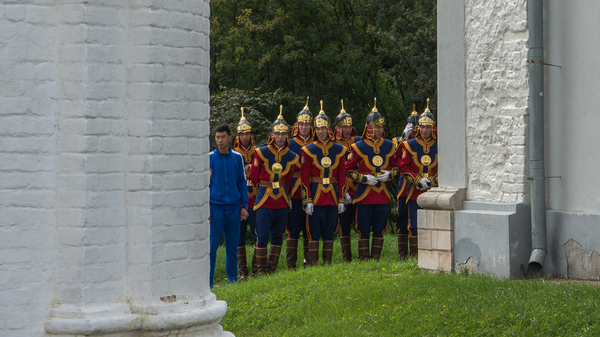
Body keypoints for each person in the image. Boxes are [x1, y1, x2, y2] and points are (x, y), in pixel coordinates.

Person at [345, 98, 399, 260]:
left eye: (382, 127)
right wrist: (363, 178)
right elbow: (348, 168)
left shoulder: (389, 145)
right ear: (369, 127)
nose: (380, 130)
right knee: (363, 227)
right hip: (364, 194)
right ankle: (363, 257)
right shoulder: (358, 146)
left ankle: (375, 257)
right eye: (377, 127)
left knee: (379, 227)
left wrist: (389, 175)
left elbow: (397, 166)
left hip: (382, 193)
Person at [250, 106, 300, 274]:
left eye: (283, 134)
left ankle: (271, 269)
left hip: (282, 201)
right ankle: (260, 270)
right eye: (277, 134)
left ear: (287, 135)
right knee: (262, 237)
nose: (280, 137)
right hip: (265, 199)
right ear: (272, 135)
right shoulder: (261, 152)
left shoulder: (292, 156)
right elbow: (254, 177)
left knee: (278, 236)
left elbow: (289, 178)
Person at [301, 101, 347, 265]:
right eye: (318, 129)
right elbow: (304, 177)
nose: (320, 132)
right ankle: (312, 263)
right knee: (314, 232)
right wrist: (307, 200)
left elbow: (342, 176)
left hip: (333, 195)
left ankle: (327, 262)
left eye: (323, 129)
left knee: (329, 231)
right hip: (315, 194)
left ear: (329, 129)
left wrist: (341, 199)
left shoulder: (340, 149)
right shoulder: (308, 150)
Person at [209, 123, 249, 288]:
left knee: (232, 248)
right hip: (215, 208)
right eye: (217, 137)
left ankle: (232, 280)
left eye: (223, 137)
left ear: (230, 137)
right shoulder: (209, 157)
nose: (220, 140)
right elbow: (204, 184)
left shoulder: (237, 157)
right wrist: (206, 209)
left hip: (233, 208)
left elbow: (242, 183)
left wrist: (244, 206)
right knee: (211, 249)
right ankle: (208, 283)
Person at [399, 98, 438, 257]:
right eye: (421, 126)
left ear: (432, 127)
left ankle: (432, 254)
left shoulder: (440, 144)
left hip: (435, 191)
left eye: (427, 127)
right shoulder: (410, 145)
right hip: (415, 191)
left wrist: (433, 181)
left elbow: (446, 167)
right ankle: (416, 256)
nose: (424, 130)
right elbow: (403, 166)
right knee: (414, 226)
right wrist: (417, 180)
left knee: (433, 224)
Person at [286, 97, 314, 269]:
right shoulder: (289, 144)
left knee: (309, 228)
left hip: (311, 189)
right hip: (293, 191)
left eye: (307, 124)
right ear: (297, 125)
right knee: (293, 227)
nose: (304, 127)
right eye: (301, 124)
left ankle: (308, 261)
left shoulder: (315, 144)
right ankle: (291, 264)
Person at [333, 100, 362, 262]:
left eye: (349, 126)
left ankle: (362, 255)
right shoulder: (333, 144)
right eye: (344, 126)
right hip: (342, 188)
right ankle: (346, 258)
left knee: (360, 223)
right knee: (344, 224)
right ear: (338, 127)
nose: (347, 129)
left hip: (359, 186)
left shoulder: (359, 141)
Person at [234, 108, 258, 279]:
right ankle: (243, 272)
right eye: (241, 134)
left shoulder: (259, 152)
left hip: (256, 198)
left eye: (247, 133)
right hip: (239, 200)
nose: (244, 137)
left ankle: (258, 268)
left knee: (259, 233)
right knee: (239, 237)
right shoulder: (233, 154)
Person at [393, 104, 419, 259]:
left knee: (416, 220)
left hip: (417, 184)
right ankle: (402, 253)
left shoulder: (422, 143)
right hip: (404, 185)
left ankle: (417, 252)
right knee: (402, 218)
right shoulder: (399, 140)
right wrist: (404, 137)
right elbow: (394, 157)